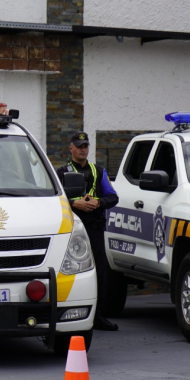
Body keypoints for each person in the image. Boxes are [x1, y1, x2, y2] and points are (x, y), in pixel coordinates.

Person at [55, 132, 120, 331]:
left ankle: (97, 316)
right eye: (79, 146)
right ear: (71, 148)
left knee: (100, 272)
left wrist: (98, 203)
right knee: (70, 271)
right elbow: (55, 199)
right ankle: (69, 315)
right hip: (71, 229)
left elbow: (113, 197)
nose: (83, 149)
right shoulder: (61, 172)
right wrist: (75, 204)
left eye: (86, 146)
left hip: (94, 228)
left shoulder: (98, 171)